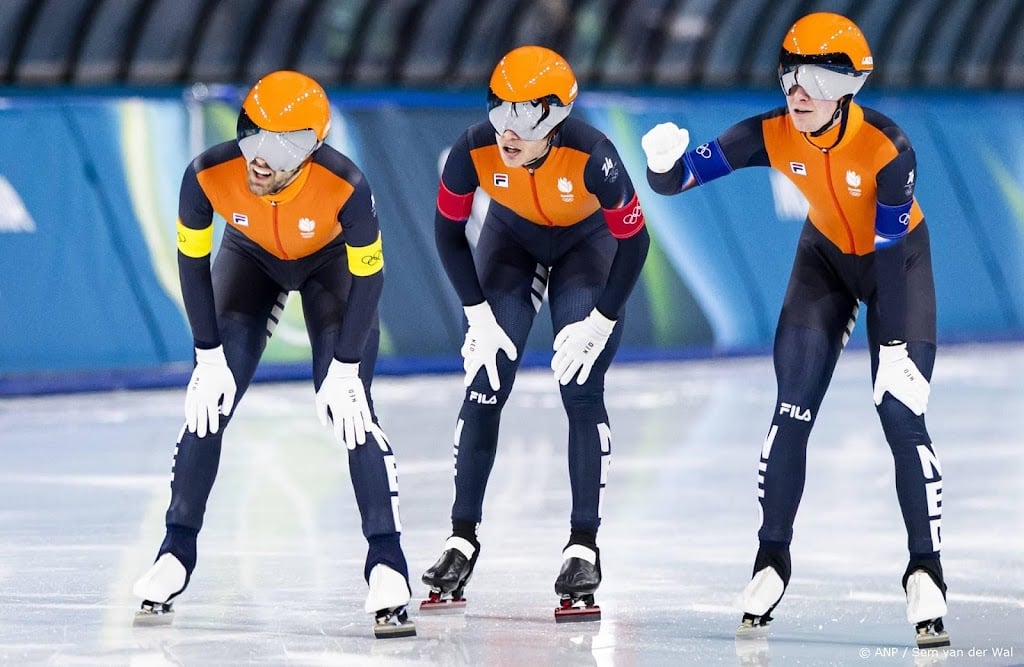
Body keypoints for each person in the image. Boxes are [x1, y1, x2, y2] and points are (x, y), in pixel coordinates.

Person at [641, 12, 948, 648]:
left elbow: (889, 250)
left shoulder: (889, 148)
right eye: (789, 75)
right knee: (792, 410)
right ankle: (770, 560)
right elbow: (680, 179)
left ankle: (926, 568)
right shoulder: (770, 132)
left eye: (816, 79)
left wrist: (894, 346)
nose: (798, 92)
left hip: (897, 267)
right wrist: (660, 166)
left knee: (901, 413)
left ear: (850, 87)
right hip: (824, 261)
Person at [131, 70, 415, 639]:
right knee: (207, 406)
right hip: (250, 261)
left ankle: (387, 561)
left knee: (353, 413)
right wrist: (207, 355)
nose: (259, 158)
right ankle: (174, 551)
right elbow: (192, 264)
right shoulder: (207, 173)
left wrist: (347, 367)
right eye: (251, 133)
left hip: (330, 266)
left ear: (311, 149)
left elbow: (370, 277)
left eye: (281, 147)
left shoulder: (346, 185)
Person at [421, 45, 650, 621]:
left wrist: (601, 320)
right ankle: (461, 537)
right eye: (499, 109)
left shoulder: (594, 155)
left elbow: (635, 241)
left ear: (555, 116)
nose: (507, 130)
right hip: (512, 243)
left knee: (581, 388)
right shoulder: (472, 149)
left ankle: (583, 546)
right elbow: (447, 234)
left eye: (523, 116)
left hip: (586, 247)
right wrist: (476, 312)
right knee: (485, 383)